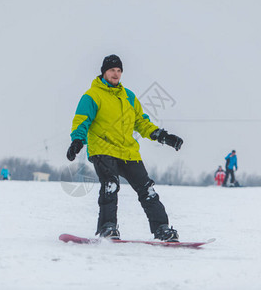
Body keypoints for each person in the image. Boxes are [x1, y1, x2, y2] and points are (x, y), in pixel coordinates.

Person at [66, 54, 183, 242]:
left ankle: (162, 229)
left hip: (128, 151)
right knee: (110, 185)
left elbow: (141, 122)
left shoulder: (129, 96)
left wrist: (163, 136)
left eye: (119, 70)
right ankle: (107, 227)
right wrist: (77, 141)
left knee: (148, 189)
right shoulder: (92, 96)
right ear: (104, 72)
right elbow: (81, 121)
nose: (116, 74)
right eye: (112, 70)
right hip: (103, 149)